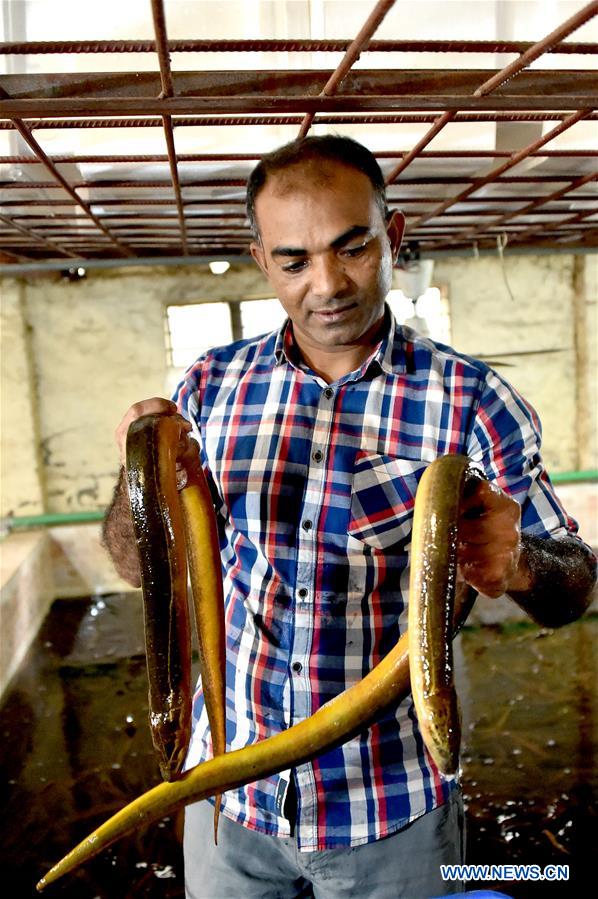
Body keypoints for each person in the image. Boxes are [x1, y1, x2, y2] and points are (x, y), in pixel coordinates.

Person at [103, 135, 596, 899]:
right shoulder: (209, 388)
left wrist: (521, 559)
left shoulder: (473, 400)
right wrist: (140, 483)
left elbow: (575, 589)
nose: (327, 283)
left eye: (352, 247)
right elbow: (136, 566)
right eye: (294, 260)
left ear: (392, 236)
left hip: (392, 805)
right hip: (228, 795)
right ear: (262, 261)